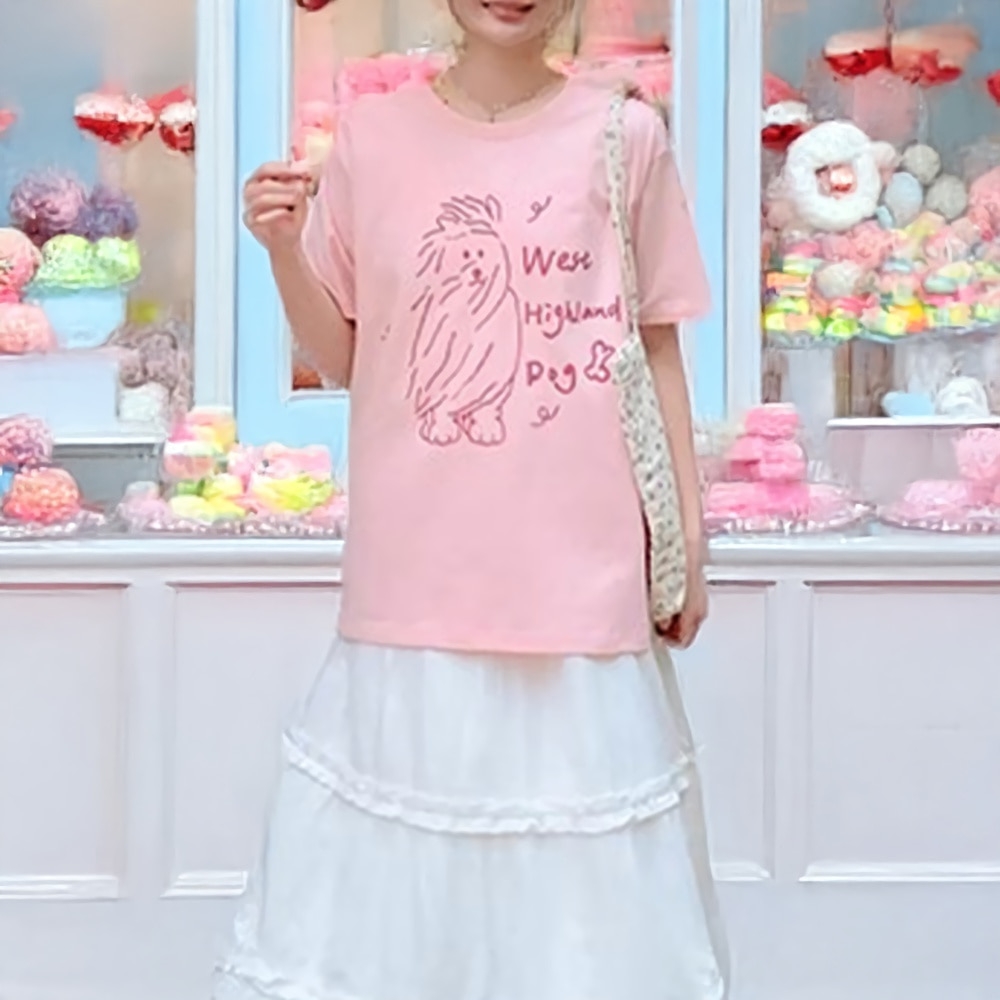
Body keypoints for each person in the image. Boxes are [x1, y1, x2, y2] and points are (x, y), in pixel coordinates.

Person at [220, 1, 728, 998]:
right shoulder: (372, 138)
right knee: (402, 910)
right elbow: (349, 359)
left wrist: (688, 545)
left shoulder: (626, 134)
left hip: (579, 573)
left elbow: (658, 346)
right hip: (415, 570)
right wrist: (281, 249)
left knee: (580, 922)